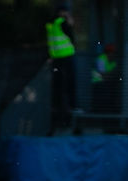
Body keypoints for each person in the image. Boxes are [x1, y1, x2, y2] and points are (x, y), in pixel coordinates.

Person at [46, 3, 77, 131]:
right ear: (63, 12)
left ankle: (58, 112)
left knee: (58, 88)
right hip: (66, 57)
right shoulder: (62, 22)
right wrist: (69, 21)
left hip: (55, 59)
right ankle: (71, 110)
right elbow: (72, 35)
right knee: (69, 85)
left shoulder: (50, 24)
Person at [91, 43, 121, 113]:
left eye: (115, 53)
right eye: (112, 53)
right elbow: (103, 75)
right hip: (98, 83)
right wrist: (111, 74)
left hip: (108, 83)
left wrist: (110, 75)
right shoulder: (101, 59)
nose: (114, 55)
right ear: (108, 53)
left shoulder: (114, 62)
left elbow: (116, 75)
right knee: (100, 102)